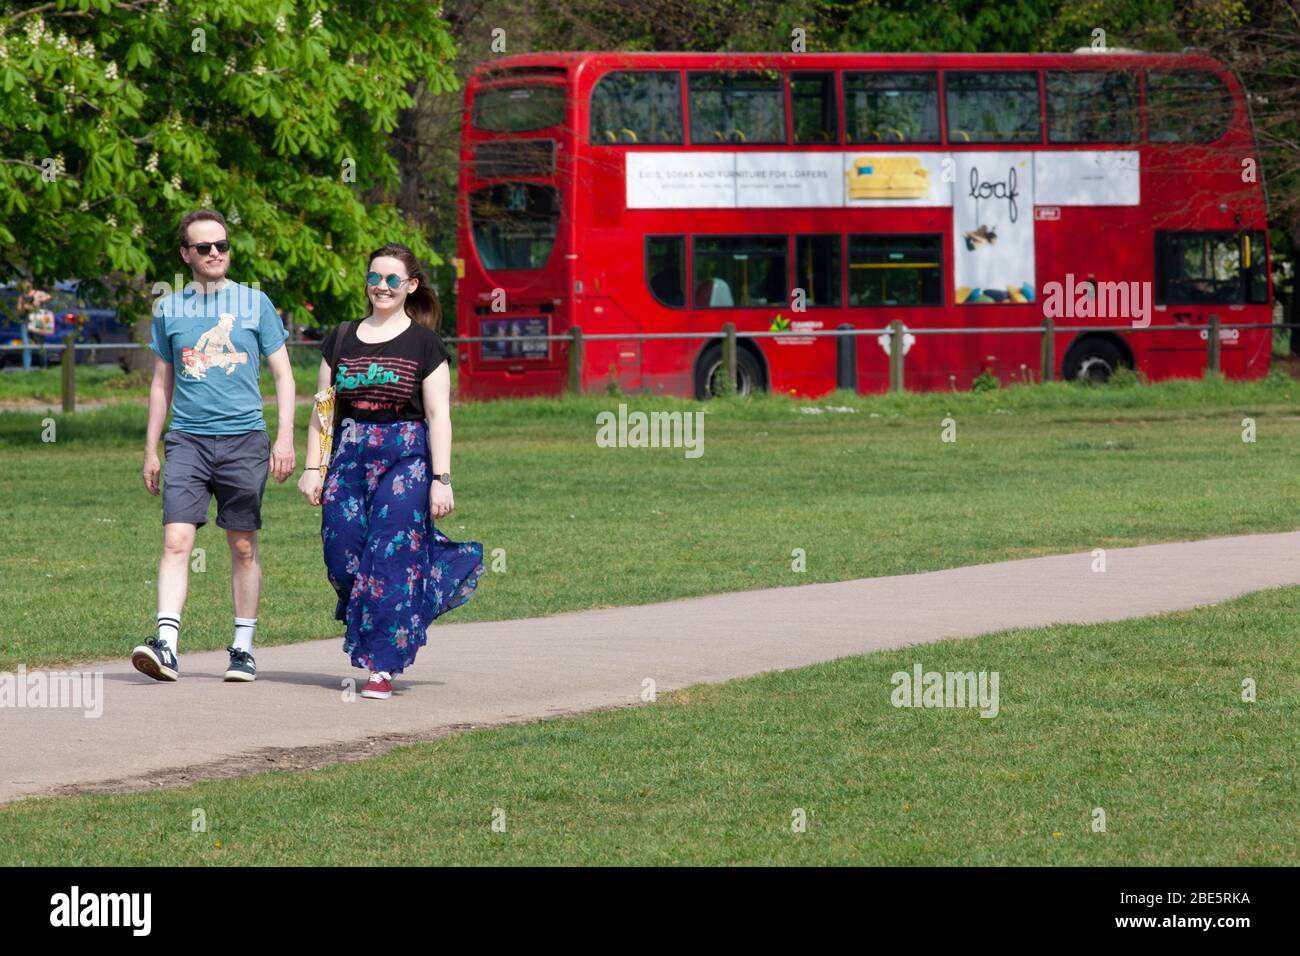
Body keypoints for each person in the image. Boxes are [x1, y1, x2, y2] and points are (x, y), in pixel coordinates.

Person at [298, 243, 483, 700]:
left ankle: (382, 664)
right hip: (349, 454)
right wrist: (313, 467)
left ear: (410, 286)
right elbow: (323, 413)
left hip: (405, 457)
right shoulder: (341, 338)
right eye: (374, 277)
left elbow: (439, 415)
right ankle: (424, 579)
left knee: (390, 557)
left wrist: (442, 478)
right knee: (343, 555)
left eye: (392, 280)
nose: (381, 286)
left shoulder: (425, 344)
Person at [132, 209, 297, 683]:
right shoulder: (169, 308)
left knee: (243, 544)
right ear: (186, 254)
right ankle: (167, 645)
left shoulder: (255, 303)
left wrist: (284, 437)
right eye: (203, 248)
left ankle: (242, 648)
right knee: (176, 539)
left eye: (221, 245)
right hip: (187, 440)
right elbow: (161, 385)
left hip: (245, 438)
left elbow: (284, 376)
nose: (215, 254)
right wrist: (151, 448)